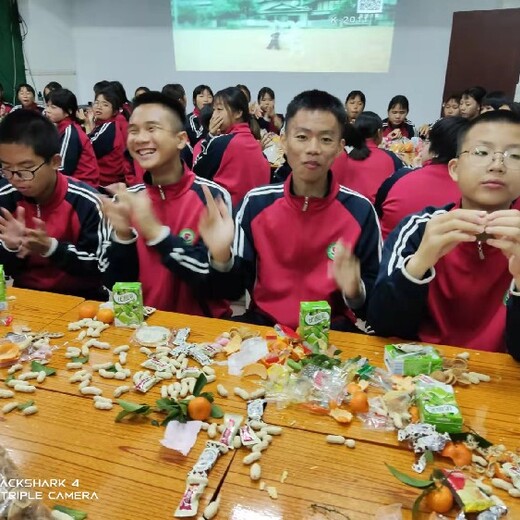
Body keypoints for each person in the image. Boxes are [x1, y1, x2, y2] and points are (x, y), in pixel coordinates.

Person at [198, 89, 381, 332]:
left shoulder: (360, 211)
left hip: (331, 331)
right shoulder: (256, 204)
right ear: (283, 142)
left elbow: (372, 309)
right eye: (302, 137)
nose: (313, 148)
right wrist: (222, 257)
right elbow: (230, 291)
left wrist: (354, 291)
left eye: (326, 139)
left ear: (340, 148)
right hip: (265, 326)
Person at [367, 110, 520, 357]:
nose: (497, 165)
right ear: (455, 169)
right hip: (423, 378)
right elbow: (381, 325)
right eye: (482, 152)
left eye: (515, 156)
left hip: (503, 385)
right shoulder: (418, 228)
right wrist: (418, 264)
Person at [102, 91, 231, 318]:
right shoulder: (124, 201)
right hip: (142, 331)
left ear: (181, 139)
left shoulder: (211, 196)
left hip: (201, 332)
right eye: (133, 130)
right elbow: (114, 285)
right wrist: (122, 238)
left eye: (152, 129)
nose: (140, 138)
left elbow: (221, 288)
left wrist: (157, 234)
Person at [0, 110, 109, 299]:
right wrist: (10, 247)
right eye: (7, 169)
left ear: (55, 162)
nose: (16, 179)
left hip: (83, 301)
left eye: (26, 169)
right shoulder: (5, 199)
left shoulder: (88, 202)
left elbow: (102, 270)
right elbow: (5, 271)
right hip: (24, 299)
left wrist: (51, 248)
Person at [375, 117, 468, 238]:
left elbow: (378, 212)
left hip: (391, 252)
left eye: (427, 141)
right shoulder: (473, 191)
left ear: (435, 148)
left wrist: (413, 170)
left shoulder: (400, 177)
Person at [193, 87, 271, 206]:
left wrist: (209, 136)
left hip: (225, 218)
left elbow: (196, 176)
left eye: (219, 109)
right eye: (214, 110)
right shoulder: (259, 149)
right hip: (252, 218)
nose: (214, 115)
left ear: (238, 113)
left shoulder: (220, 143)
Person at [331, 111, 403, 203]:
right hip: (375, 213)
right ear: (379, 132)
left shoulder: (344, 155)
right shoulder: (391, 158)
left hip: (345, 210)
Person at [45, 88, 99, 188]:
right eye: (47, 106)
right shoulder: (61, 128)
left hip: (82, 186)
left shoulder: (70, 132)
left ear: (68, 111)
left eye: (53, 107)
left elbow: (63, 169)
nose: (47, 110)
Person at [86, 88, 129, 189]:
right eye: (96, 103)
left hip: (104, 184)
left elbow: (85, 147)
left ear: (114, 111)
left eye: (105, 105)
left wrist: (89, 124)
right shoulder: (108, 124)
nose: (99, 107)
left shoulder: (109, 126)